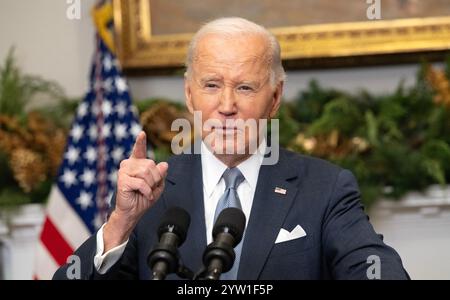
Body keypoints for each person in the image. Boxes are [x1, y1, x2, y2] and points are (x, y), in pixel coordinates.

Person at [53, 17, 409, 280]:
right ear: (189, 94)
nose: (226, 105)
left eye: (245, 88)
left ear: (275, 98)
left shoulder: (325, 187)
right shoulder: (151, 192)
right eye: (211, 85)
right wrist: (121, 222)